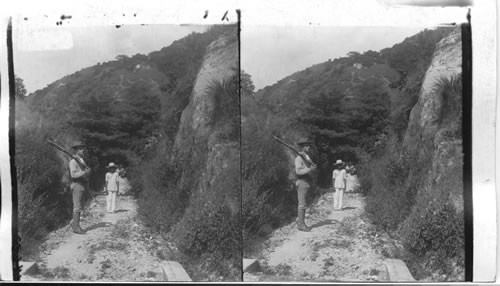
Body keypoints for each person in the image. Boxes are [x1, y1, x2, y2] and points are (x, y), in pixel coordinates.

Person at [69, 141, 91, 234]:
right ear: (76, 150)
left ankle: (73, 222)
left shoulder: (81, 161)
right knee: (77, 207)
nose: (83, 150)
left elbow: (84, 172)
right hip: (77, 184)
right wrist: (84, 172)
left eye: (83, 148)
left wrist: (87, 172)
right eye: (81, 148)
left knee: (80, 206)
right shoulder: (73, 161)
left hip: (82, 185)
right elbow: (73, 175)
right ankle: (76, 228)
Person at [294, 137, 317, 232]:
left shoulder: (307, 157)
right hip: (302, 181)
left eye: (309, 146)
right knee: (302, 204)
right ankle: (301, 225)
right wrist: (309, 169)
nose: (309, 147)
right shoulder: (299, 158)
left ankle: (299, 220)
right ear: (302, 147)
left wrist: (313, 168)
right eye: (306, 146)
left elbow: (310, 167)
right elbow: (298, 171)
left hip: (307, 182)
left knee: (304, 204)